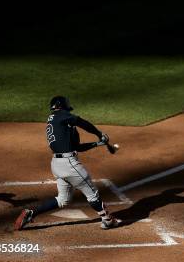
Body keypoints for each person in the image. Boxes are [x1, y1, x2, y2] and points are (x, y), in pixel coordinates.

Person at [14, 96, 121, 230]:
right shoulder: (61, 116)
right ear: (62, 107)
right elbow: (81, 122)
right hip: (69, 165)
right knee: (92, 193)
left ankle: (31, 213)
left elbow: (77, 147)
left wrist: (97, 143)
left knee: (63, 200)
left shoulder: (58, 122)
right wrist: (99, 133)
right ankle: (107, 220)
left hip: (57, 165)